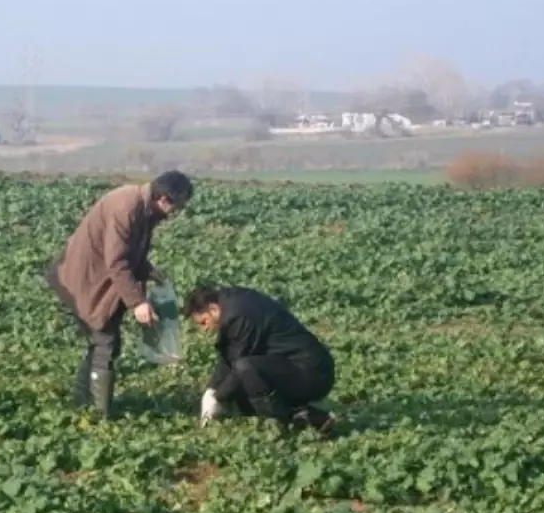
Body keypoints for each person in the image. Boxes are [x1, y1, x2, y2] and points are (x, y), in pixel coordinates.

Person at [46, 171, 194, 418]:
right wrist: (138, 302)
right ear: (164, 199)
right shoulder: (126, 208)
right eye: (175, 207)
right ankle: (99, 414)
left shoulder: (144, 208)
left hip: (99, 280)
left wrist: (148, 271)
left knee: (100, 342)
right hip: (85, 281)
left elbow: (129, 251)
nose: (173, 214)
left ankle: (84, 402)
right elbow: (117, 261)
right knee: (105, 341)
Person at [182, 284, 336, 437]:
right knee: (240, 389)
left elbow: (238, 365)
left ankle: (278, 427)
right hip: (294, 366)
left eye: (203, 322)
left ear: (213, 309)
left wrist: (218, 398)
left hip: (311, 373)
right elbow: (229, 356)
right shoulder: (232, 304)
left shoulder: (238, 315)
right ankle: (310, 417)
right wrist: (212, 389)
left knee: (246, 370)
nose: (204, 330)